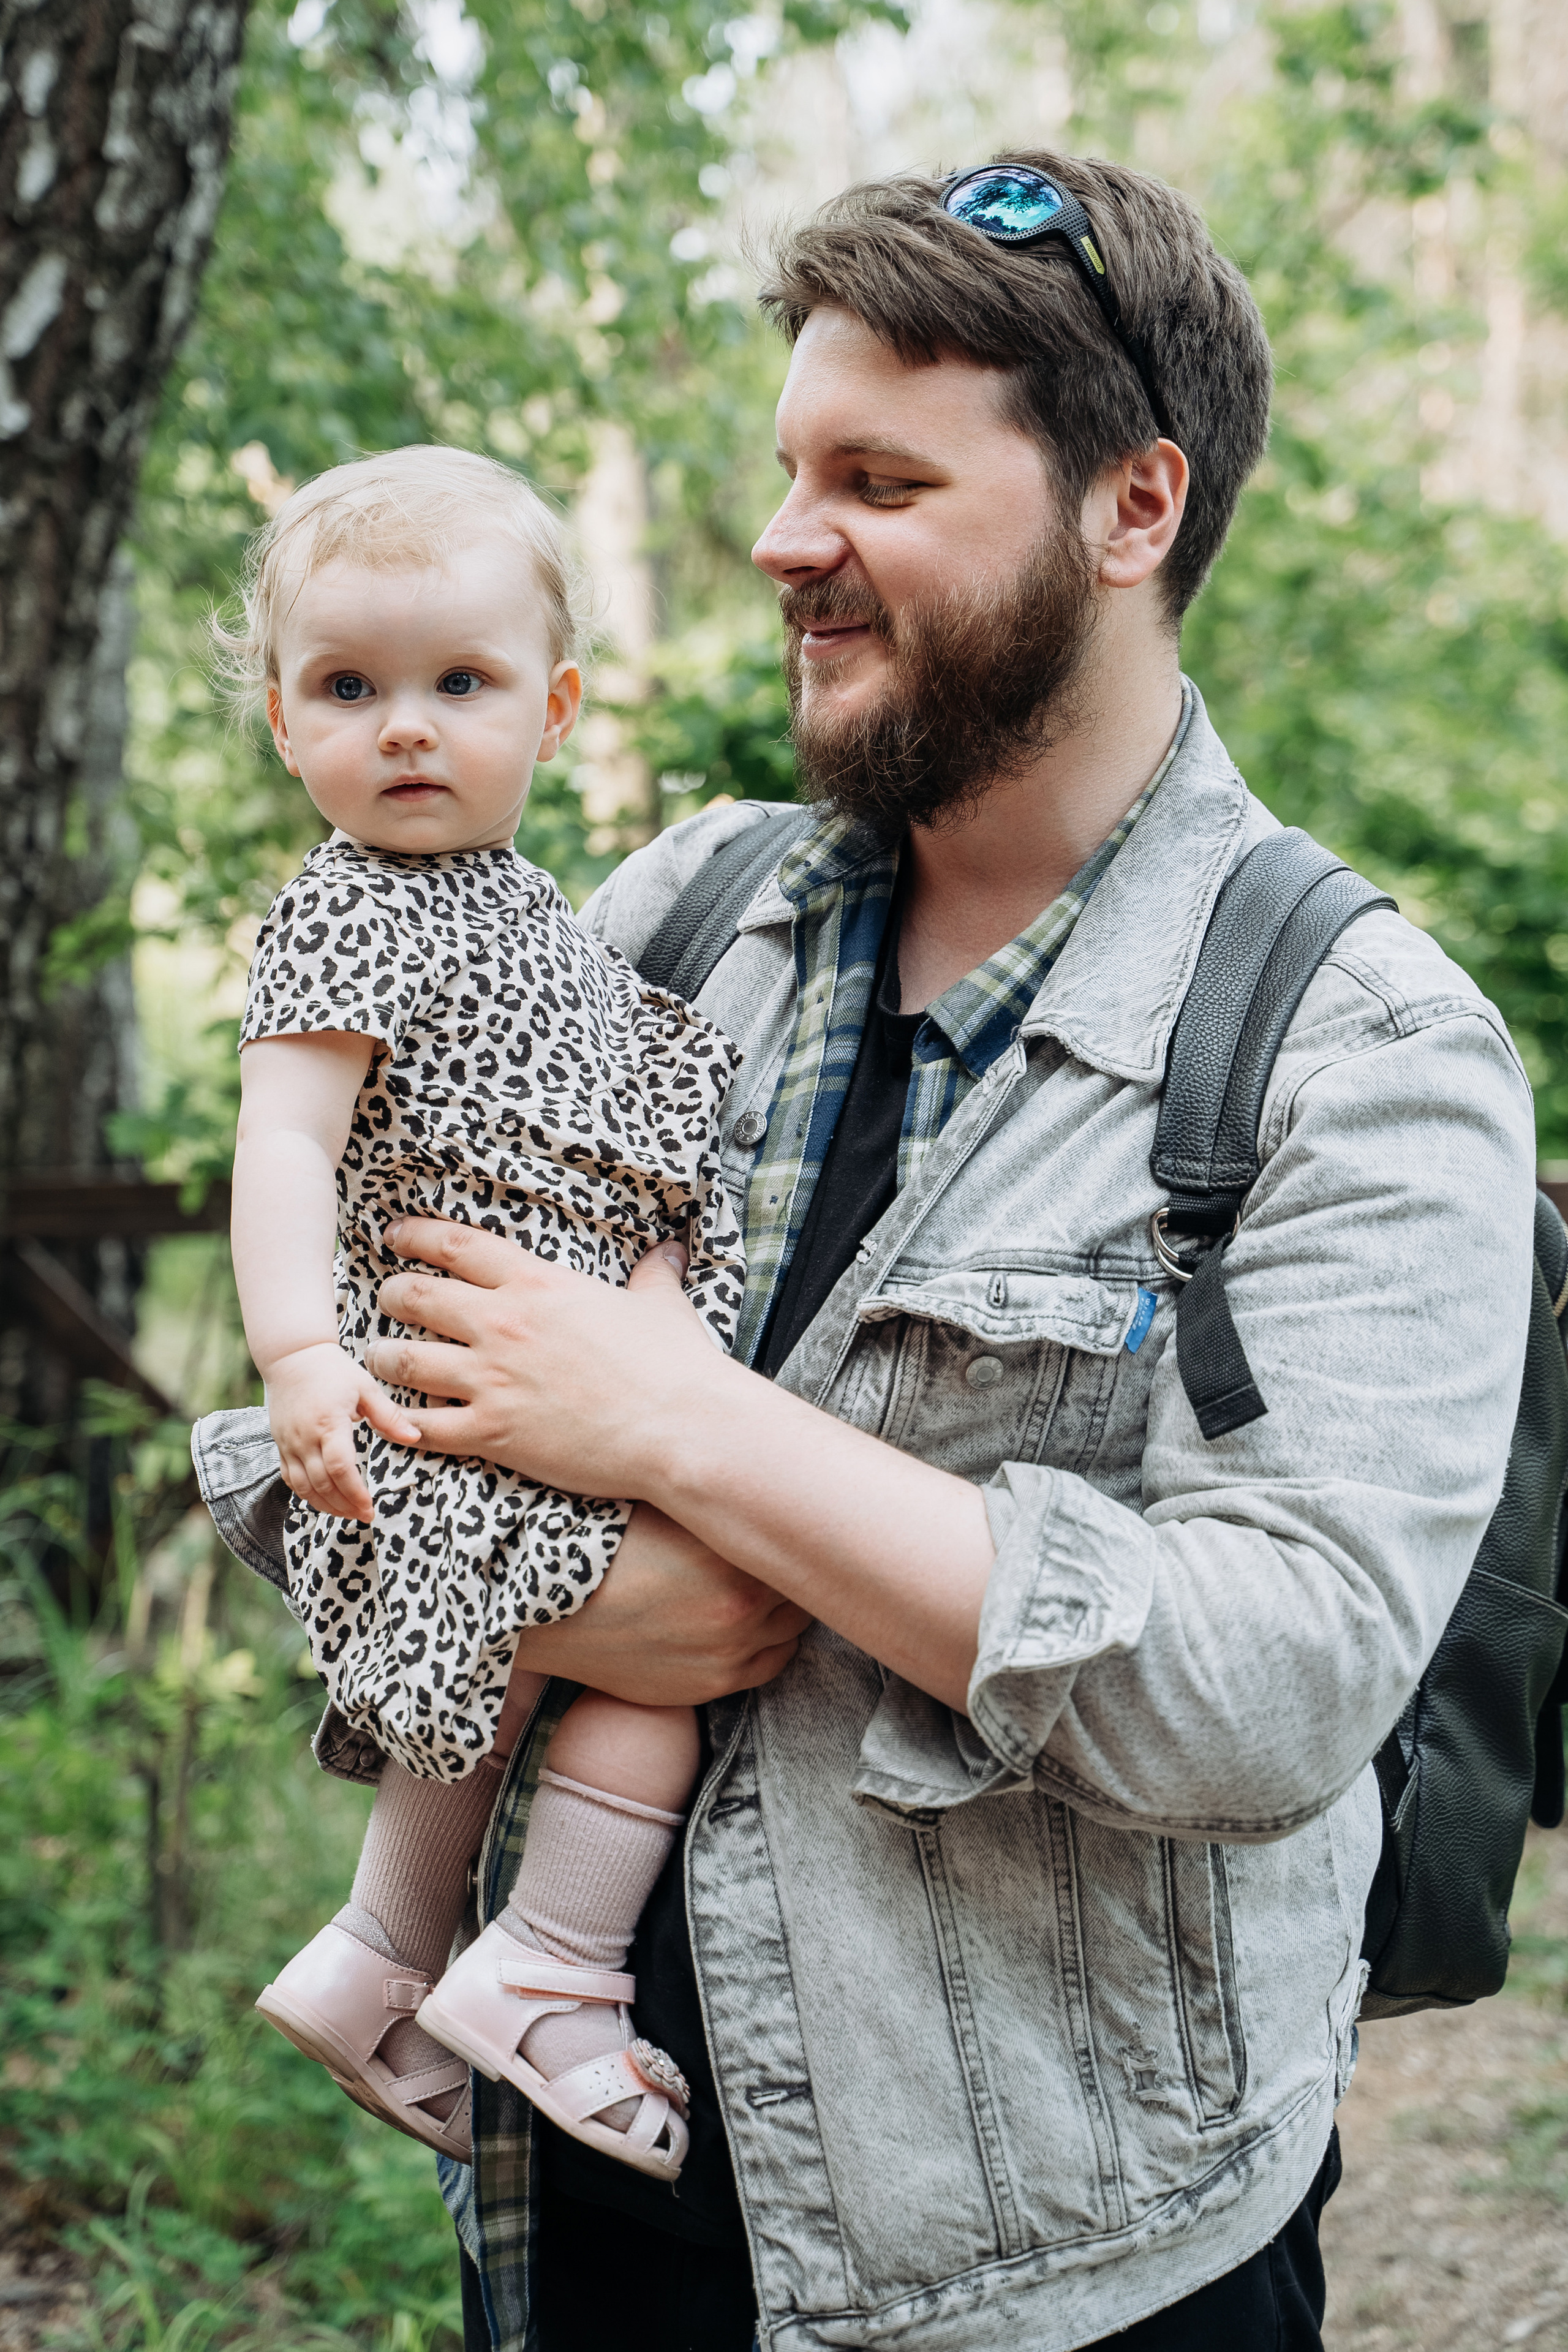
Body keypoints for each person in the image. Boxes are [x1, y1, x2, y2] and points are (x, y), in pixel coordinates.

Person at [198, 151, 1534, 2351]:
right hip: (576, 2218)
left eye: (880, 477)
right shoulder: (665, 925)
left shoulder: (1354, 1047)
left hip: (1062, 2280)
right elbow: (292, 1429)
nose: (783, 538)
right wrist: (577, 1576)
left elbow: (1275, 1683)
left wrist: (695, 1451)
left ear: (1134, 509)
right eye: (790, 465)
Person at [222, 443, 750, 2182]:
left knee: (488, 1670)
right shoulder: (346, 909)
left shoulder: (528, 912)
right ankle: (550, 1969)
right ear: (287, 724)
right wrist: (300, 1352)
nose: (408, 729)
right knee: (644, 1675)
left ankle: (382, 1950)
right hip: (457, 1388)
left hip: (547, 1372)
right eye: (349, 688)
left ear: (557, 705)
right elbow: (288, 1148)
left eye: (462, 684)